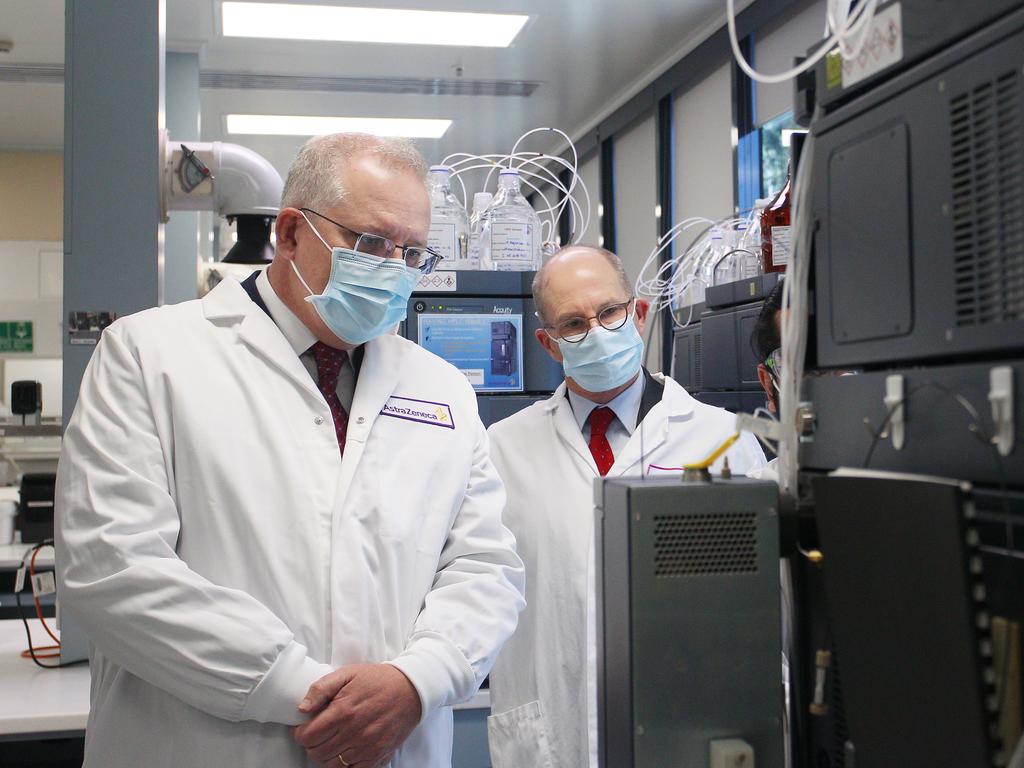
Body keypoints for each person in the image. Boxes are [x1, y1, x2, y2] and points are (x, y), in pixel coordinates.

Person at [55, 133, 525, 768]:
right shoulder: (147, 356)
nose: (393, 267)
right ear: (290, 233)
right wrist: (312, 695)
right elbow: (113, 570)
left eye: (412, 252)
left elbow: (485, 566)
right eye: (369, 243)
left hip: (397, 742)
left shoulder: (440, 388)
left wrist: (416, 682)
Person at [485, 245, 766, 768]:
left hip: (685, 728)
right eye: (573, 323)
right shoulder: (501, 450)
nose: (595, 331)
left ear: (638, 315)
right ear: (548, 344)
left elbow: (759, 605)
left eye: (609, 312)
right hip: (550, 733)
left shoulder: (723, 439)